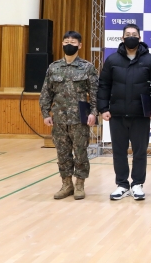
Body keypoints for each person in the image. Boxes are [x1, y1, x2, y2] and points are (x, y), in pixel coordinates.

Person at [97, 24, 151, 201]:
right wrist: (103, 108)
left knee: (140, 151)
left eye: (134, 34)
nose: (131, 37)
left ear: (139, 38)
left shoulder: (150, 60)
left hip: (141, 114)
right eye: (128, 34)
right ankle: (122, 184)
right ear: (122, 38)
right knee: (119, 151)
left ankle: (137, 184)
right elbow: (104, 85)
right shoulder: (112, 60)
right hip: (117, 114)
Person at [39, 31, 98, 200]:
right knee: (62, 154)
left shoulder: (87, 67)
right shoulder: (54, 67)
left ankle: (79, 184)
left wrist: (94, 112)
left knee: (80, 153)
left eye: (73, 42)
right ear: (62, 44)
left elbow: (95, 93)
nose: (69, 44)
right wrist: (45, 113)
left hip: (80, 119)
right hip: (59, 119)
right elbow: (46, 92)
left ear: (80, 45)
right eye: (66, 42)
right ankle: (66, 184)